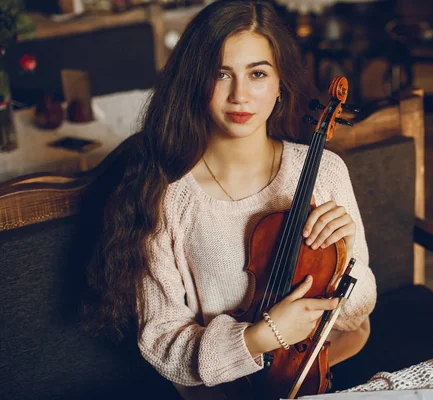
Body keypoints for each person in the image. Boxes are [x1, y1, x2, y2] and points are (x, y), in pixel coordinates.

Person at [84, 0, 376, 398]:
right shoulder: (166, 198)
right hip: (224, 389)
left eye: (257, 73)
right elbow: (163, 343)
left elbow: (359, 309)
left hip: (327, 368)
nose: (240, 95)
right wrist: (262, 336)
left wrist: (344, 259)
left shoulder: (324, 171)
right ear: (195, 84)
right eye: (221, 74)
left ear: (279, 86)